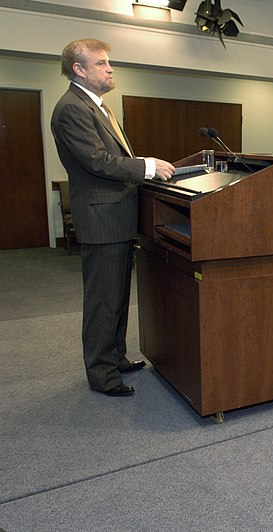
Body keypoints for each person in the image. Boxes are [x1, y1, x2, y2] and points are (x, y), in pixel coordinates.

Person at [51, 38, 174, 397]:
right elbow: (98, 162)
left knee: (118, 297)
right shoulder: (72, 108)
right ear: (79, 69)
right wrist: (147, 167)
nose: (110, 69)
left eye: (109, 63)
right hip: (101, 220)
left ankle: (115, 356)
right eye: (102, 63)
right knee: (102, 300)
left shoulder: (98, 107)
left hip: (116, 218)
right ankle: (102, 374)